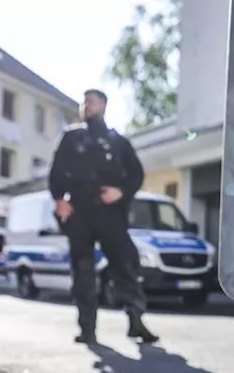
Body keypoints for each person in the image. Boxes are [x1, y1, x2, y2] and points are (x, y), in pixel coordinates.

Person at [49, 89, 157, 344]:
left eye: (92, 101)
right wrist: (59, 200)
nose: (86, 105)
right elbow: (56, 172)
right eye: (84, 101)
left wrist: (121, 192)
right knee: (83, 271)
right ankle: (87, 328)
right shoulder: (71, 137)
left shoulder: (118, 141)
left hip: (111, 213)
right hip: (80, 212)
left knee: (125, 266)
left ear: (104, 106)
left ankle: (136, 321)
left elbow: (136, 174)